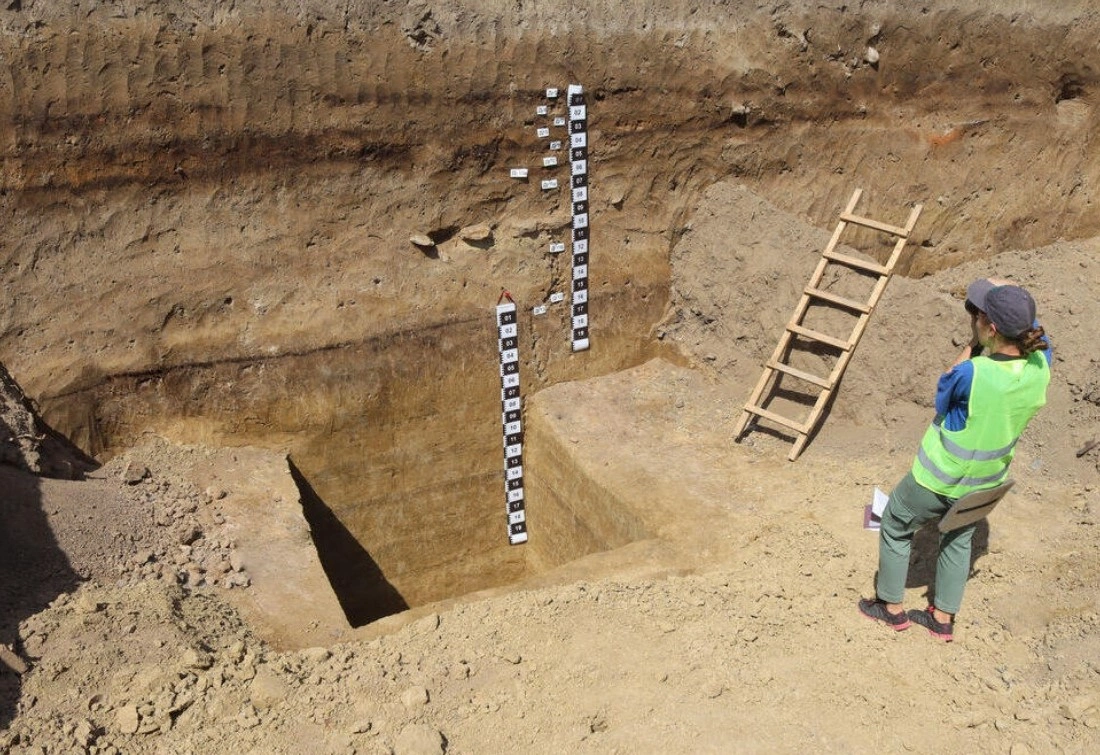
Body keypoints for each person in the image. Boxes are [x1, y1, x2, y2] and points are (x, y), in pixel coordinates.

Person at [858, 278, 1052, 641]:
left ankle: (890, 607)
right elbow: (1037, 333)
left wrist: (973, 346)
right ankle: (942, 617)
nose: (975, 318)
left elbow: (943, 397)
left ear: (990, 329)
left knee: (897, 524)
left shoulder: (972, 371)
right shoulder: (1041, 364)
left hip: (937, 478)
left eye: (980, 315)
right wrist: (1013, 298)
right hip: (986, 481)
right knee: (959, 538)